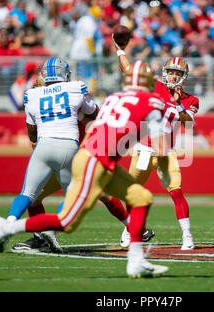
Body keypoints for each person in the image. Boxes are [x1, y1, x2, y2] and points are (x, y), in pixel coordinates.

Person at [0, 60, 169, 278]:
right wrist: (164, 171)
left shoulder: (113, 98)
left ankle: (136, 260)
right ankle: (6, 228)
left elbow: (40, 132)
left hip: (80, 153)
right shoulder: (150, 101)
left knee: (140, 197)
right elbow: (161, 148)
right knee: (67, 220)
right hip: (88, 157)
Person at [10, 72, 154, 253]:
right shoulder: (66, 97)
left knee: (92, 192)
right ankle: (41, 236)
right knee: (98, 192)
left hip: (78, 154)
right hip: (72, 154)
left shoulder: (52, 100)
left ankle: (44, 235)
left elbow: (96, 117)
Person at [0, 56, 98, 252]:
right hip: (69, 146)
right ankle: (50, 231)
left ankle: (7, 225)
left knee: (27, 194)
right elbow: (94, 112)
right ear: (65, 74)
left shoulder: (32, 95)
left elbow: (31, 133)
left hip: (43, 146)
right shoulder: (75, 88)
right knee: (72, 195)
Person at [113, 37, 199, 250]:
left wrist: (179, 105)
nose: (173, 76)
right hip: (142, 149)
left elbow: (189, 122)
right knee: (131, 191)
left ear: (183, 77)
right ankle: (129, 229)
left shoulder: (190, 100)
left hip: (166, 152)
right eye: (171, 72)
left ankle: (187, 236)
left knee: (176, 191)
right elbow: (131, 72)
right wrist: (120, 52)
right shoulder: (156, 87)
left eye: (177, 74)